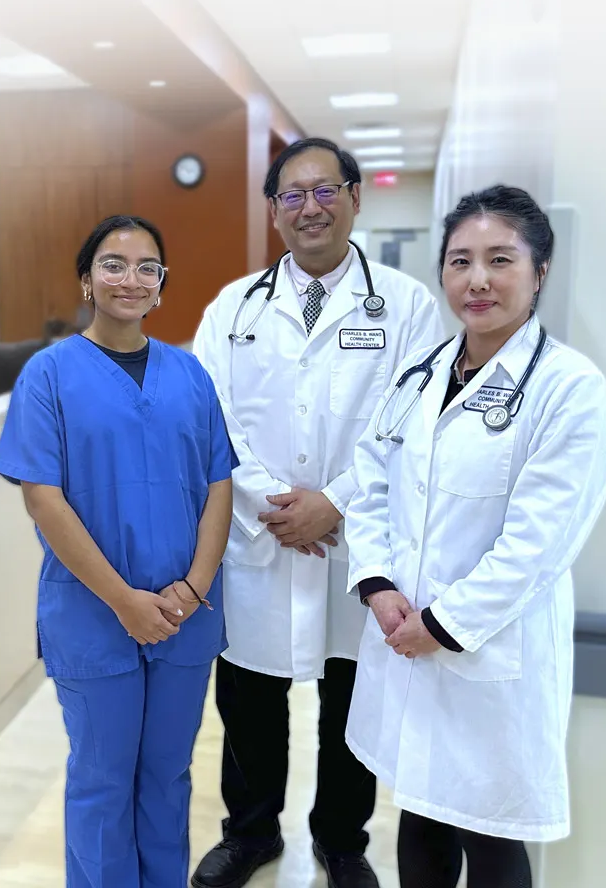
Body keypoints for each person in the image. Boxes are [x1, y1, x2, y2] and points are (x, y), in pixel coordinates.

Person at [344, 185, 606, 888]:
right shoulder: (418, 377)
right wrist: (377, 587)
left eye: (501, 259)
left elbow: (540, 542)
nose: (478, 280)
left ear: (539, 272)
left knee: (493, 840)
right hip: (405, 638)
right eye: (461, 260)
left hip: (484, 652)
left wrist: (442, 623)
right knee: (420, 811)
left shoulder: (571, 390)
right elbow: (370, 479)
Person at [190, 138, 445, 888]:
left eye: (325, 191)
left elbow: (413, 422)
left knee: (349, 700)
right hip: (259, 537)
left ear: (355, 198)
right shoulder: (231, 308)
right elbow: (211, 420)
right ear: (273, 210)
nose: (310, 207)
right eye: (292, 195)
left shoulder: (406, 307)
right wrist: (274, 503)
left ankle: (341, 841)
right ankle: (251, 833)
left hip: (354, 539)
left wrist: (334, 502)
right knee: (250, 701)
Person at [0, 214, 238, 888]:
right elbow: (42, 497)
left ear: (162, 285)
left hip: (186, 615)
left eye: (147, 267)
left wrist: (191, 588)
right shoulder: (48, 376)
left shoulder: (190, 375)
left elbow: (220, 483)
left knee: (166, 777)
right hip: (94, 615)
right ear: (87, 280)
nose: (131, 278)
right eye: (113, 263)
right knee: (103, 781)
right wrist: (124, 601)